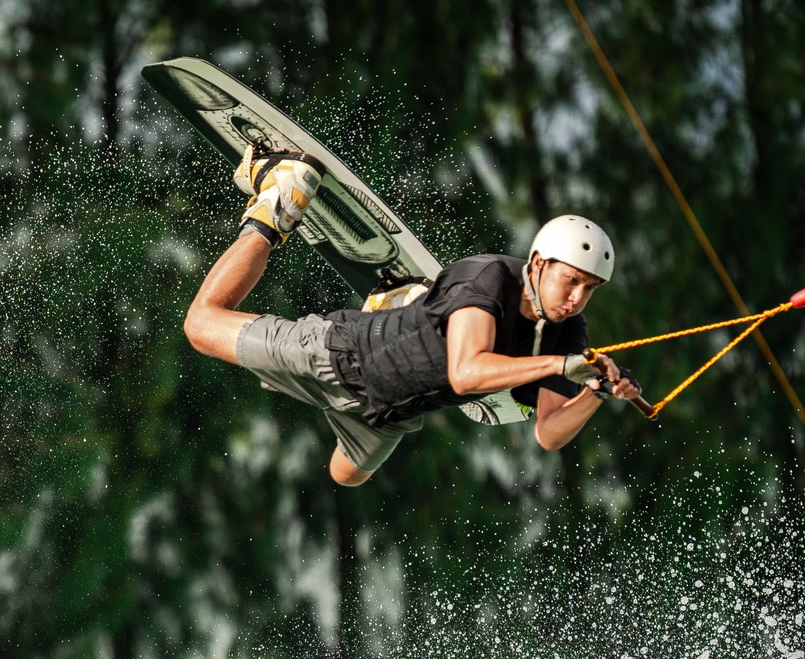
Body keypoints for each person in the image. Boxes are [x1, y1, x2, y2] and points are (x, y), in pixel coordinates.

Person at [182, 146, 643, 486]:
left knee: (345, 475)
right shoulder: (486, 280)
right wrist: (561, 366)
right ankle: (279, 200)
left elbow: (547, 433)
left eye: (589, 289)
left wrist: (593, 394)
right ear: (539, 263)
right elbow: (465, 375)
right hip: (340, 354)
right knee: (200, 325)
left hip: (389, 412)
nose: (577, 297)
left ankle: (405, 303)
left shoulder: (566, 331)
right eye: (572, 281)